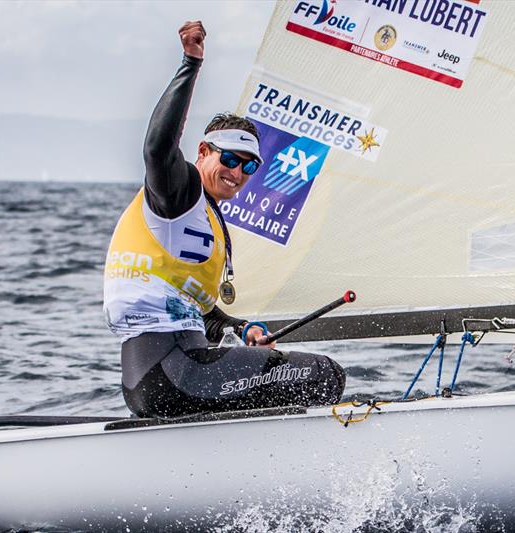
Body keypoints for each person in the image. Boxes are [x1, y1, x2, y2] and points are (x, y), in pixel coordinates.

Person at [103, 20, 345, 418]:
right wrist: (190, 63)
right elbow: (157, 149)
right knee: (324, 375)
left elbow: (196, 310)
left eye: (248, 166)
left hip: (158, 379)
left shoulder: (204, 217)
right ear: (203, 151)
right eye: (229, 159)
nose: (237, 172)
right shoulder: (177, 194)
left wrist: (240, 326)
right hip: (174, 373)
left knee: (281, 379)